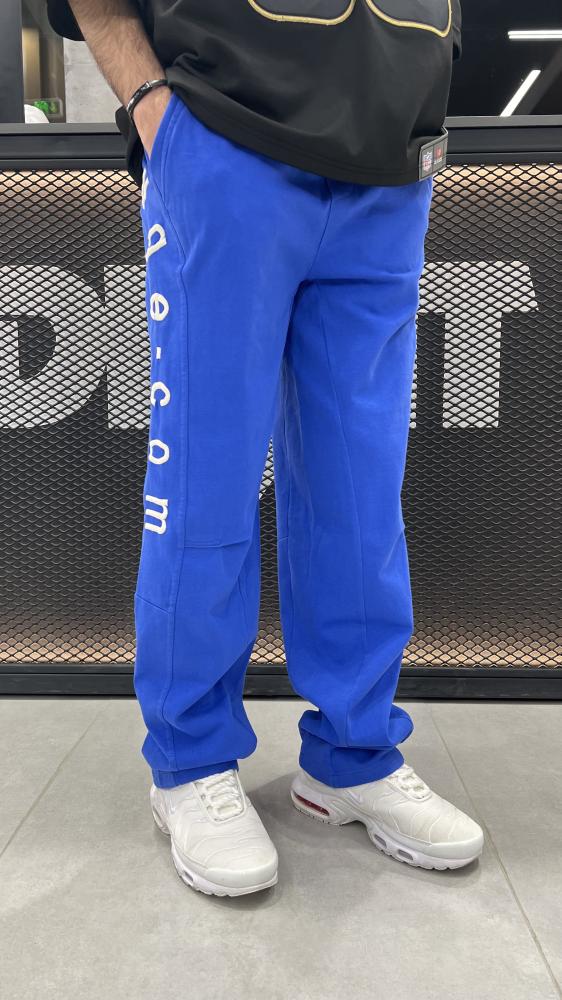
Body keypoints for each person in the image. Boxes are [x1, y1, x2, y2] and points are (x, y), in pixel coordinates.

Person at [47, 0, 483, 897]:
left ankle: (353, 755)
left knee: (362, 496)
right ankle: (190, 761)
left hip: (388, 167)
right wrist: (152, 108)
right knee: (205, 479)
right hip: (225, 140)